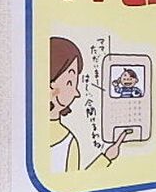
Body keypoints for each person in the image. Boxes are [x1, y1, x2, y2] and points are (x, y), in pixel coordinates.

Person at [49, 37, 131, 173]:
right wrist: (106, 158)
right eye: (69, 82)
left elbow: (75, 180)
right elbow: (74, 182)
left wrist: (107, 156)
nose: (76, 93)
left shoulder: (67, 141)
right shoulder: (67, 142)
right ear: (51, 83)